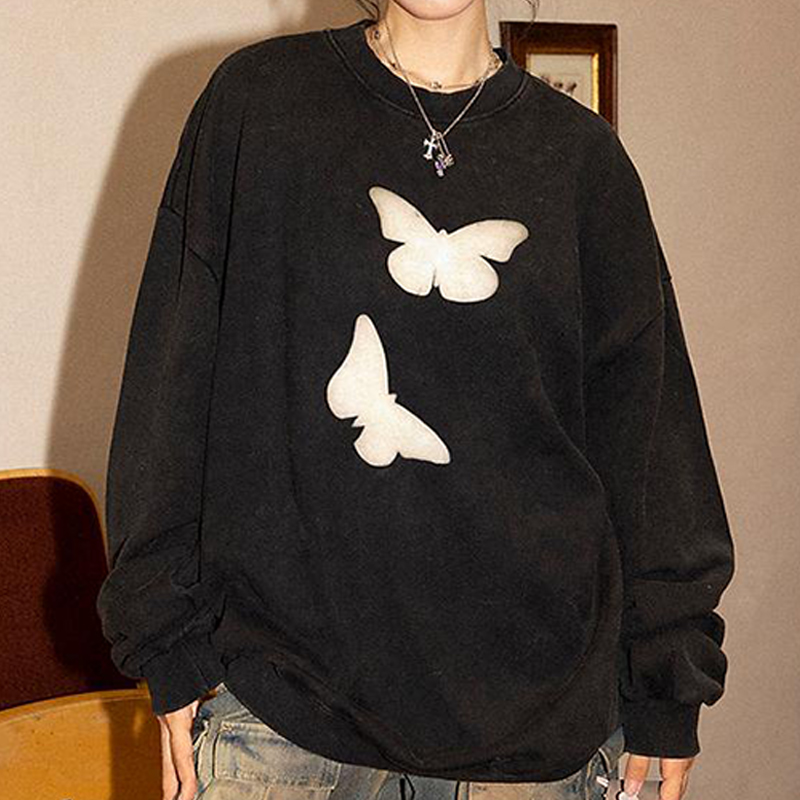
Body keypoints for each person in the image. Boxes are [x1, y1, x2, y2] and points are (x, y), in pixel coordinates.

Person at [95, 2, 735, 800]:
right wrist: (166, 641)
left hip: (538, 738)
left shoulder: (583, 160)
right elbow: (169, 387)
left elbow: (652, 441)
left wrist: (668, 677)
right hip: (282, 721)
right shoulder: (259, 106)